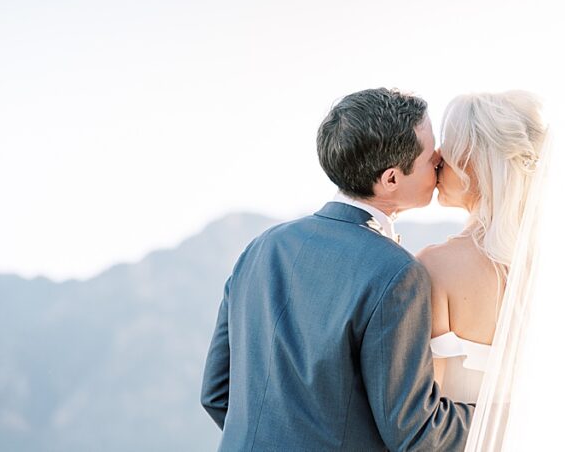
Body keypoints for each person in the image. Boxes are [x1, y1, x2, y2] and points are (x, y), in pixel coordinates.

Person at [200, 87, 474, 451]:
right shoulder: (396, 272)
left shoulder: (261, 247)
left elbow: (217, 393)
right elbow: (415, 430)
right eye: (430, 155)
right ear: (391, 178)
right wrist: (504, 415)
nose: (440, 159)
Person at [417, 91, 565, 450]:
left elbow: (425, 415)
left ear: (473, 163)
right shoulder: (559, 276)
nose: (437, 159)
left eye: (448, 149)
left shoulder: (436, 266)